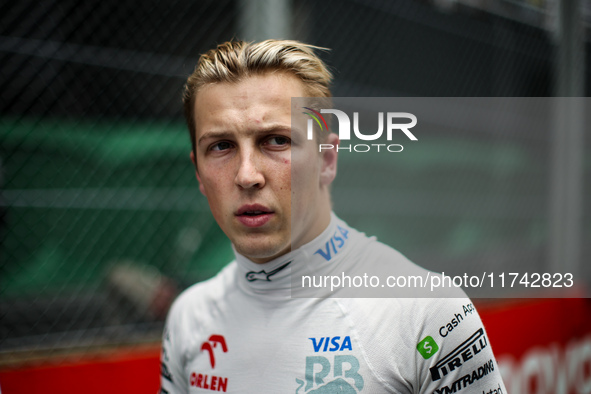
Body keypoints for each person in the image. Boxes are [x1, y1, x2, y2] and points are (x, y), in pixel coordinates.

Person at [160, 40, 506, 394]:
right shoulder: (189, 317)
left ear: (326, 160)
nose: (247, 175)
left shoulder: (427, 313)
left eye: (276, 140)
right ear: (199, 174)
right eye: (221, 146)